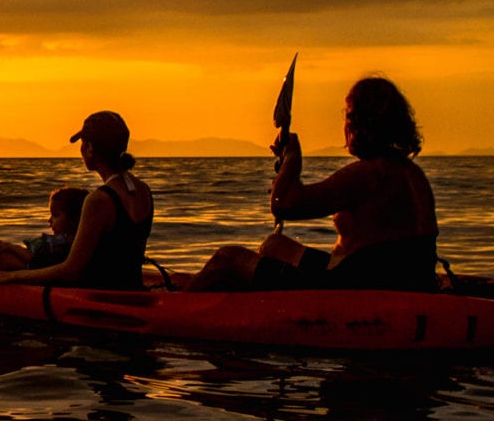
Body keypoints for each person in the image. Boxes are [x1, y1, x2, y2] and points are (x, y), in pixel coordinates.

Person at [184, 76, 439, 292]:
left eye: (349, 116)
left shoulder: (368, 175)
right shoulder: (412, 173)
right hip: (401, 279)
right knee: (274, 246)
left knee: (228, 259)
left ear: (363, 124)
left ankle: (177, 307)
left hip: (360, 288)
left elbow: (284, 205)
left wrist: (292, 158)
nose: (345, 125)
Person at [0, 111, 154, 291]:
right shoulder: (143, 190)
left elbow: (71, 271)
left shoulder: (99, 200)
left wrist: (9, 277)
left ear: (90, 149)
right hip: (129, 285)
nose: (81, 149)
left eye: (83, 143)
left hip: (96, 290)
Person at [0, 187, 89, 276]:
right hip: (32, 266)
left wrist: (13, 248)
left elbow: (38, 261)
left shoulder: (70, 242)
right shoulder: (67, 239)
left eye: (55, 215)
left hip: (33, 272)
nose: (49, 221)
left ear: (74, 219)